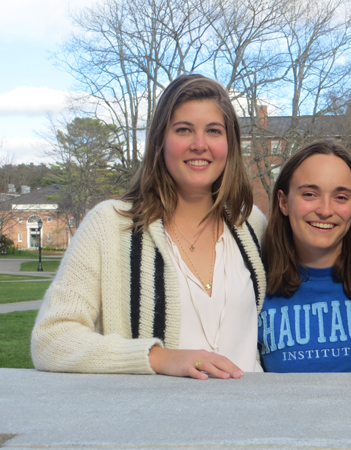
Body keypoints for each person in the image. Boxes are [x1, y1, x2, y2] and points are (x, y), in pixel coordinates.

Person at [31, 74, 267, 380]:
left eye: (213, 131)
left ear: (230, 144)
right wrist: (157, 358)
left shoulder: (252, 225)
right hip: (157, 423)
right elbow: (51, 339)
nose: (199, 144)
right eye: (183, 130)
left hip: (250, 421)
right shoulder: (111, 225)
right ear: (160, 141)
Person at [258, 141, 351, 372]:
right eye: (310, 194)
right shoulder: (254, 283)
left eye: (341, 197)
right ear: (283, 202)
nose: (325, 210)